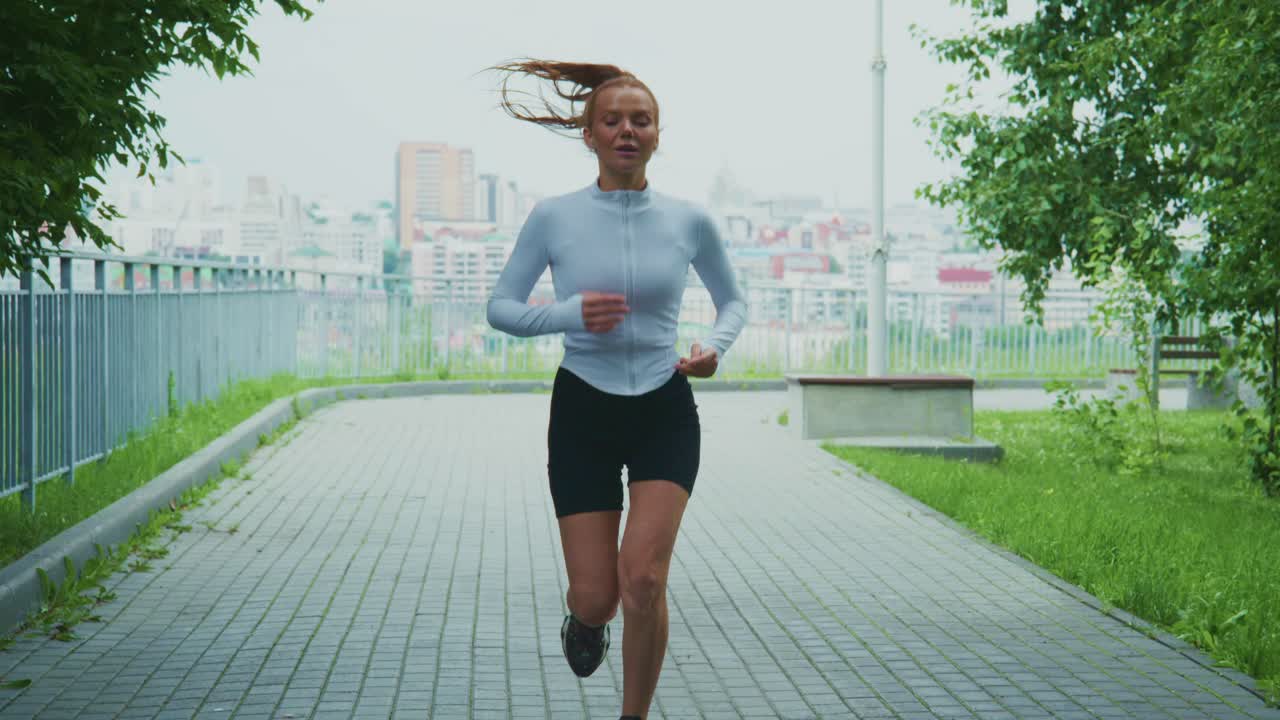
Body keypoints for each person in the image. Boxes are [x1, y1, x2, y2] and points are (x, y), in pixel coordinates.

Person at [485, 60, 748, 720]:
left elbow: (732, 301)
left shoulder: (690, 220)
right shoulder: (555, 217)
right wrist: (569, 313)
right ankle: (584, 619)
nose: (627, 130)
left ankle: (633, 715)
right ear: (590, 135)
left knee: (645, 579)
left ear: (658, 134)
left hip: (664, 405)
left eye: (641, 120)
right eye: (613, 121)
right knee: (598, 594)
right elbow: (501, 307)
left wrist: (715, 348)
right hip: (584, 409)